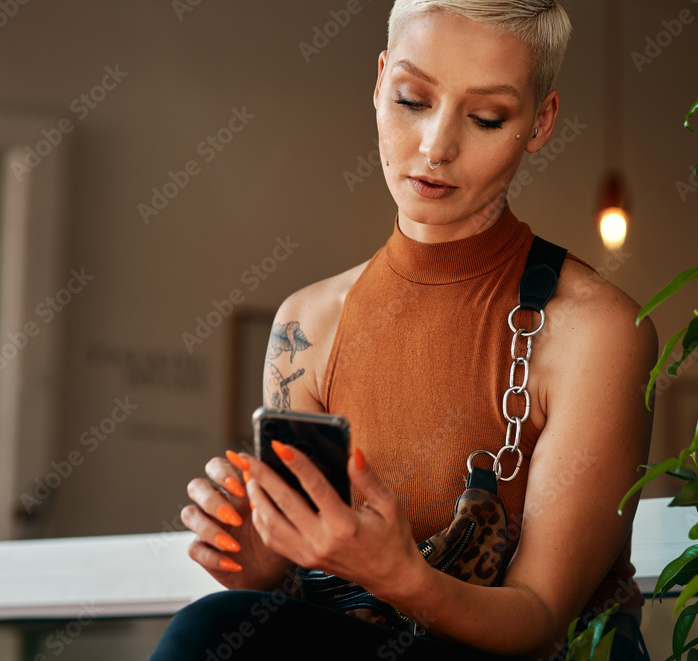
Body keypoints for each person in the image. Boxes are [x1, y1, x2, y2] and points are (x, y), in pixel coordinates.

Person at [150, 1, 657, 658]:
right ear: (380, 79)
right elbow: (306, 596)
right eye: (413, 99)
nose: (436, 146)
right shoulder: (308, 323)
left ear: (540, 122)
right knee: (225, 618)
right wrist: (264, 571)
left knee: (208, 631)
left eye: (486, 117)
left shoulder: (598, 331)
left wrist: (400, 575)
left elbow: (540, 618)